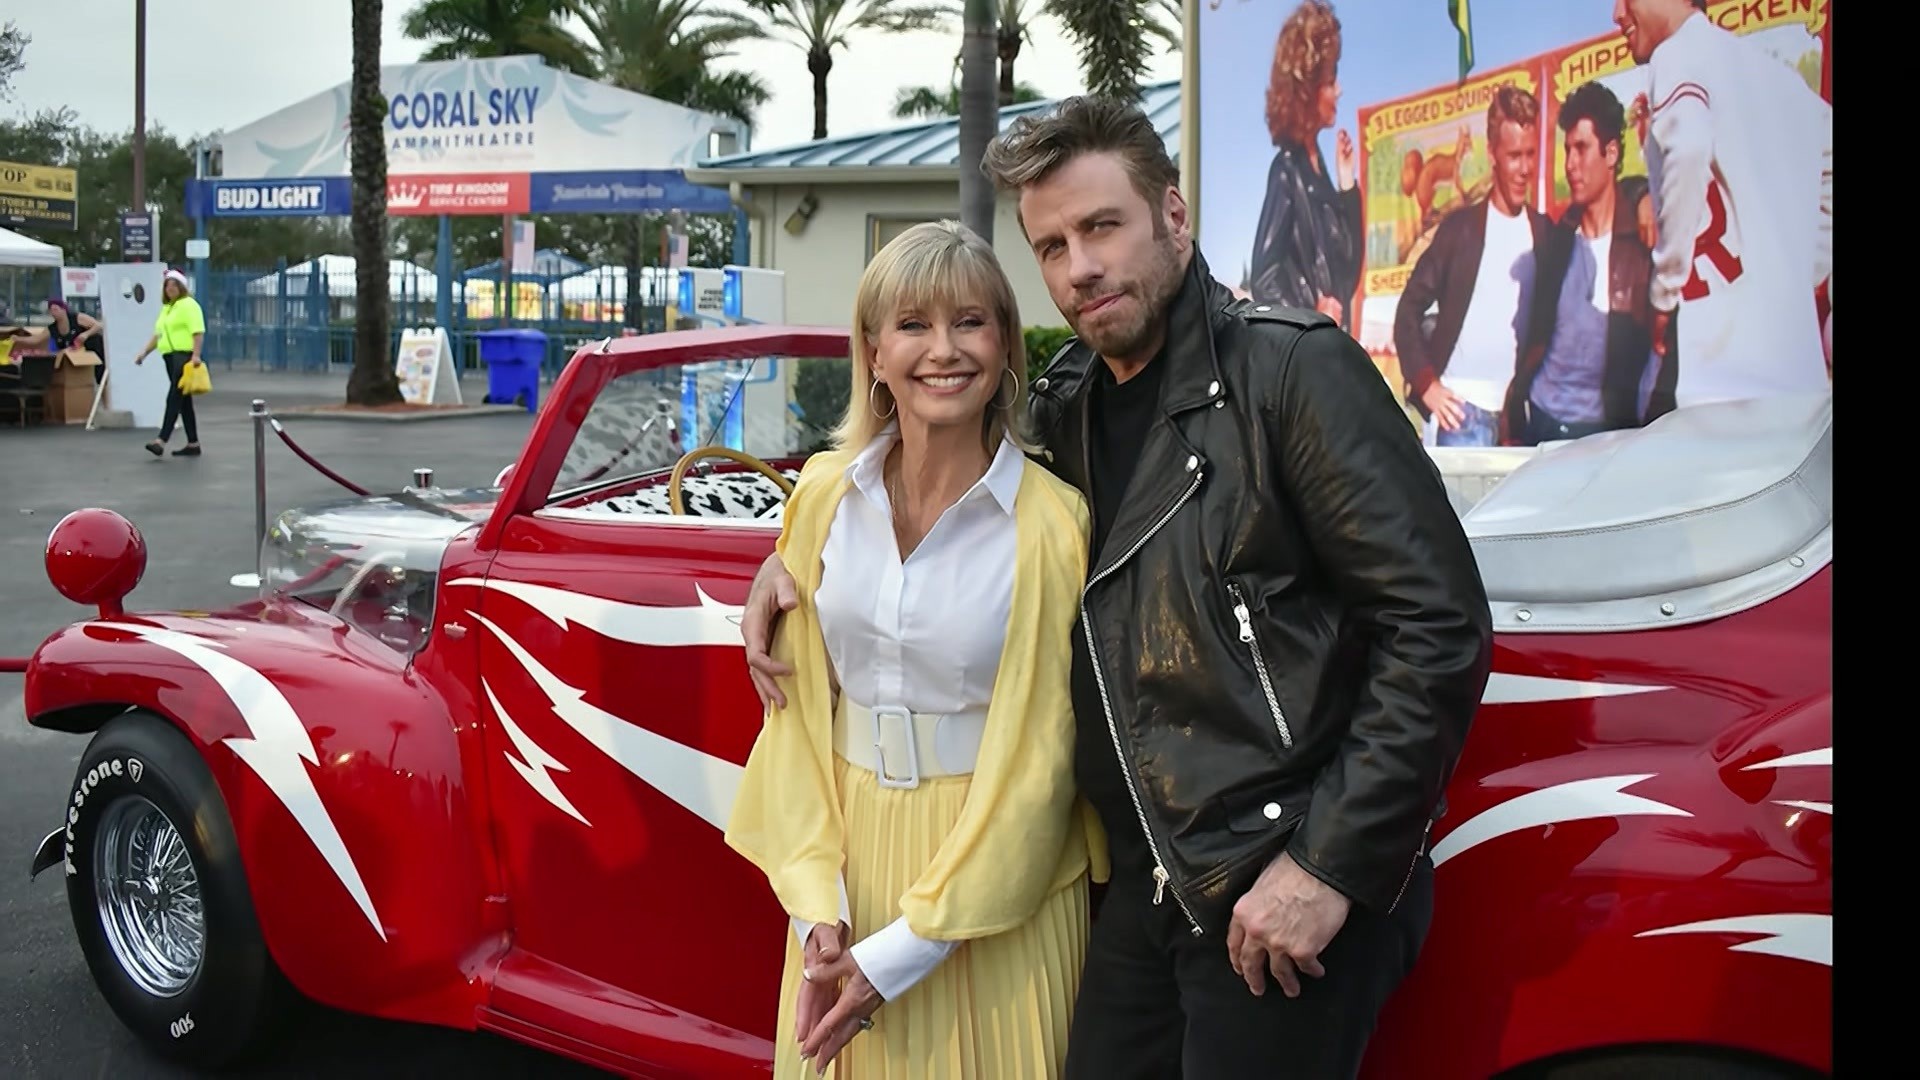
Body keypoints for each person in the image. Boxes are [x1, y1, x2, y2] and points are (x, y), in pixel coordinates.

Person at [742, 95, 1493, 1078]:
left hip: (1280, 874)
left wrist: (1327, 865)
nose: (1079, 267)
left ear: (1173, 218)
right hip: (1146, 878)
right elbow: (929, 479)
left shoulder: (1293, 372)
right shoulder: (1070, 411)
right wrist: (784, 558)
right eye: (1051, 246)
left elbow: (1437, 626)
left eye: (1102, 227)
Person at [724, 220, 1107, 1079]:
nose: (945, 350)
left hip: (999, 881)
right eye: (913, 325)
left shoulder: (1053, 523)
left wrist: (903, 951)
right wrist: (817, 906)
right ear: (872, 351)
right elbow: (795, 718)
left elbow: (1045, 758)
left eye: (970, 322)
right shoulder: (822, 495)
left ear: (1005, 341)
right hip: (847, 869)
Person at [1616, 0, 1833, 414]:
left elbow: (1690, 146)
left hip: (1719, 385)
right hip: (1797, 384)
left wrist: (1663, 295)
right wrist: (1796, 273)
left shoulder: (1675, 51)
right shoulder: (1774, 76)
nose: (1616, 13)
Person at [1393, 84, 1548, 447]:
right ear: (1493, 153)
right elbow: (1408, 310)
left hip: (1518, 424)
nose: (1524, 168)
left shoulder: (1544, 234)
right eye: (1514, 156)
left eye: (1530, 154)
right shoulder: (1459, 231)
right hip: (1461, 416)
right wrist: (1426, 383)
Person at [1505, 79, 1658, 444]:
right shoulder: (1558, 240)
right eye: (1567, 150)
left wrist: (1644, 194)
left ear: (1610, 154)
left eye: (1581, 149)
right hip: (1542, 420)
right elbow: (1534, 337)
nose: (1570, 164)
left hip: (1605, 434)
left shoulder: (1639, 245)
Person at [1246, 0, 1362, 333]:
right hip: (1310, 364)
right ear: (1306, 89)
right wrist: (1309, 312)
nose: (1338, 90)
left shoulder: (1320, 173)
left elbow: (1348, 275)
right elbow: (1264, 277)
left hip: (1334, 352)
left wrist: (1347, 185)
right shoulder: (1286, 172)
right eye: (1330, 79)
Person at [134, 269, 207, 457]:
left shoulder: (189, 305)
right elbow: (158, 335)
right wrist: (144, 353)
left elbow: (197, 331)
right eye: (167, 285)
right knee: (184, 402)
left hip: (184, 356)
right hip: (169, 356)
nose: (170, 289)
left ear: (181, 287)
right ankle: (193, 443)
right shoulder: (167, 308)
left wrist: (196, 355)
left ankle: (161, 440)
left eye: (174, 285)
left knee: (174, 396)